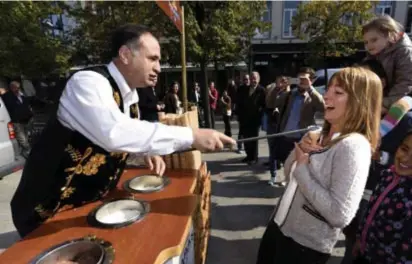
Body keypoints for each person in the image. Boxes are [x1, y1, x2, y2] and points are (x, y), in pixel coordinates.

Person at [10, 24, 235, 238]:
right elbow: (114, 133)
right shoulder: (87, 82)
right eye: (152, 59)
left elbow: (120, 137)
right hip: (45, 212)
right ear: (125, 54)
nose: (158, 67)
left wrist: (146, 150)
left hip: (85, 208)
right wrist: (192, 136)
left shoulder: (132, 98)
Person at [256, 67, 382, 264]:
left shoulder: (353, 146)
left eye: (338, 92)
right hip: (279, 225)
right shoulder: (318, 133)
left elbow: (340, 214)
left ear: (361, 102)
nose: (326, 95)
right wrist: (301, 150)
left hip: (304, 245)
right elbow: (290, 175)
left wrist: (304, 168)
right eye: (329, 89)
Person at [352, 126, 412, 264]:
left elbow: (411, 257)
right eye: (404, 149)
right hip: (365, 256)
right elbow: (371, 211)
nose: (406, 158)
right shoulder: (388, 175)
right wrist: (360, 239)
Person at [362, 15, 412, 113]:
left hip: (410, 95)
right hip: (388, 94)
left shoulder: (405, 52)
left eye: (374, 40)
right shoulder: (376, 54)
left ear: (390, 36)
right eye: (366, 42)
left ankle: (385, 127)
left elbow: (406, 82)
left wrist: (386, 103)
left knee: (395, 111)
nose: (369, 45)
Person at [275, 67, 324, 171]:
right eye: (298, 79)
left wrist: (309, 87)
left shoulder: (312, 96)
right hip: (286, 137)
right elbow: (271, 103)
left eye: (304, 79)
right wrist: (278, 88)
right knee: (287, 165)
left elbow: (323, 107)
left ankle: (298, 185)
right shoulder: (290, 94)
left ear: (311, 80)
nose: (301, 82)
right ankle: (288, 182)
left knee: (301, 167)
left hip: (302, 138)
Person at [236, 71, 266, 164]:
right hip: (244, 118)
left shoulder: (261, 90)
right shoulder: (245, 89)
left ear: (258, 79)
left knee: (254, 139)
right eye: (252, 78)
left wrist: (260, 115)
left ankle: (254, 158)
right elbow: (240, 102)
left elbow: (264, 105)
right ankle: (248, 156)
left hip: (254, 119)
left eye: (255, 78)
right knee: (246, 138)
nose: (253, 80)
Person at [265, 76, 289, 185]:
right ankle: (273, 175)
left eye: (284, 81)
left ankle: (285, 177)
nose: (282, 83)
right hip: (273, 125)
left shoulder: (291, 93)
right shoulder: (273, 90)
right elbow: (269, 103)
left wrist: (287, 89)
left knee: (286, 152)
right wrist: (276, 89)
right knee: (272, 151)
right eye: (280, 81)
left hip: (284, 126)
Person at [1, 81, 33, 158]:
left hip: (26, 119)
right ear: (11, 88)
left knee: (26, 135)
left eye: (18, 88)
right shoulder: (7, 96)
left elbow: (26, 104)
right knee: (21, 137)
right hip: (17, 120)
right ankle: (28, 150)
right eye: (16, 88)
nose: (17, 89)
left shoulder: (21, 95)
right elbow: (10, 106)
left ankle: (25, 150)